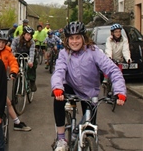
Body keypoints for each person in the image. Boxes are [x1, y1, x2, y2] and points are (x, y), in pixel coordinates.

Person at [51, 21, 126, 151]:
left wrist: (119, 91)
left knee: (90, 128)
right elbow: (59, 71)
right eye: (71, 38)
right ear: (67, 40)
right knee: (58, 100)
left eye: (78, 37)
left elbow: (113, 70)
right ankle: (61, 138)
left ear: (83, 38)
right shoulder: (64, 53)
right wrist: (57, 88)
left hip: (90, 92)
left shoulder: (94, 51)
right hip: (71, 86)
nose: (75, 41)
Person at [0, 29, 32, 132]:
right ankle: (16, 122)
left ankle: (17, 123)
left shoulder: (8, 51)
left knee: (7, 102)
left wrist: (13, 72)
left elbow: (13, 63)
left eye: (3, 42)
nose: (1, 44)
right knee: (4, 102)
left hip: (0, 82)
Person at [11, 26, 37, 92]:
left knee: (33, 64)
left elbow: (31, 52)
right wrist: (12, 55)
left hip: (27, 55)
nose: (29, 37)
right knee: (17, 71)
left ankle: (32, 81)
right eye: (27, 35)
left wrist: (30, 61)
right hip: (18, 55)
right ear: (24, 34)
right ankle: (15, 94)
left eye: (30, 35)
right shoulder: (17, 39)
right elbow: (12, 48)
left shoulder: (32, 42)